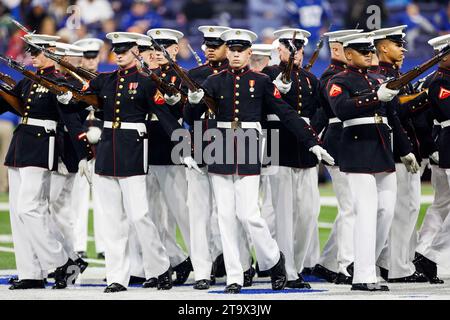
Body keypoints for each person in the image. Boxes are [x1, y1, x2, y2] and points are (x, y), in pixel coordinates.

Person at [188, 28, 334, 293]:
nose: (234, 54)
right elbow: (192, 114)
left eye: (239, 50)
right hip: (219, 143)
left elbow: (287, 114)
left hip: (249, 143)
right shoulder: (214, 80)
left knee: (249, 214)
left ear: (248, 53)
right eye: (231, 50)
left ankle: (274, 259)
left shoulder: (262, 81)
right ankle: (234, 276)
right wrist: (193, 101)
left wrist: (312, 142)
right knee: (225, 216)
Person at [75, 31, 200, 293]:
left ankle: (160, 267)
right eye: (116, 49)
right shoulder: (105, 81)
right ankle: (117, 277)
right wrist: (69, 100)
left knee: (140, 216)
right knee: (112, 220)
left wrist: (185, 149)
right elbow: (78, 100)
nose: (118, 54)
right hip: (107, 151)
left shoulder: (146, 83)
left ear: (135, 51)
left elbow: (164, 117)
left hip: (133, 150)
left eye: (124, 49)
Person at [327, 31, 416, 291]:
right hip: (356, 148)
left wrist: (405, 149)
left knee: (386, 212)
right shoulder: (338, 80)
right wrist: (376, 96)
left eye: (370, 51)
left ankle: (362, 262)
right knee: (365, 212)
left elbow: (393, 118)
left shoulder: (379, 78)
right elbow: (341, 109)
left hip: (382, 149)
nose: (369, 55)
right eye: (362, 52)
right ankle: (363, 276)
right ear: (348, 54)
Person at [2, 34, 83, 290]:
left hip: (41, 144)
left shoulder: (59, 82)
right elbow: (11, 105)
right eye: (31, 52)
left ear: (50, 52)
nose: (32, 57)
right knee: (18, 213)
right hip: (21, 145)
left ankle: (61, 261)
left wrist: (82, 154)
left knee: (29, 207)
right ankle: (31, 273)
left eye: (37, 52)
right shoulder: (28, 80)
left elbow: (71, 118)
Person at [184, 26, 254, 290]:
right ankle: (203, 270)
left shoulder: (234, 77)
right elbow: (187, 117)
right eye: (207, 44)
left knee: (236, 212)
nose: (211, 48)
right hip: (201, 142)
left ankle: (244, 266)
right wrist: (186, 150)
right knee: (199, 213)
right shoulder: (194, 75)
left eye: (217, 44)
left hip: (232, 143)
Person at [262, 28, 325, 288]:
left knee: (309, 212)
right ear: (280, 50)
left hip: (305, 149)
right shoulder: (267, 75)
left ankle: (296, 265)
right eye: (291, 47)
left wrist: (312, 130)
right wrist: (276, 87)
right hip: (279, 145)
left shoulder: (311, 79)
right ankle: (288, 271)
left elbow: (323, 108)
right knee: (283, 214)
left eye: (299, 48)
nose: (297, 52)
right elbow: (260, 107)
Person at [371, 25, 431, 283]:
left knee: (405, 209)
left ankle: (392, 264)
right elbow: (397, 111)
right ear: (383, 47)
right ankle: (398, 268)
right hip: (397, 152)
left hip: (405, 150)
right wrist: (425, 96)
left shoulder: (395, 74)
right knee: (403, 210)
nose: (403, 50)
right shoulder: (380, 76)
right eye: (397, 45)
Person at [312, 29, 363, 285]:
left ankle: (330, 262)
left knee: (352, 206)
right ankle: (346, 265)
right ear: (336, 49)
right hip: (340, 141)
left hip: (348, 141)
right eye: (351, 47)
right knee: (350, 207)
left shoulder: (348, 75)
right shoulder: (333, 76)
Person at [146, 28, 194, 286]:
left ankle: (201, 260)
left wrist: (178, 100)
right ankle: (171, 261)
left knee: (181, 211)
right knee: (153, 215)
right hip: (147, 144)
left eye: (165, 45)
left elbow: (189, 112)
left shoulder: (182, 76)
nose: (158, 50)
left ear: (175, 49)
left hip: (172, 144)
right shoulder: (148, 76)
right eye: (156, 45)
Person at [414, 33, 450, 284]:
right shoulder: (439, 81)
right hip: (446, 141)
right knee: (442, 204)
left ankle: (423, 251)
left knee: (442, 204)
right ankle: (431, 254)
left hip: (443, 144)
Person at [71, 37, 106, 260]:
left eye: (93, 56)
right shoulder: (73, 81)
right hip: (80, 145)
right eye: (86, 56)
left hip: (103, 144)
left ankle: (104, 246)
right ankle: (78, 244)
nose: (90, 60)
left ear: (100, 57)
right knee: (77, 197)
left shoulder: (106, 80)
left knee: (104, 198)